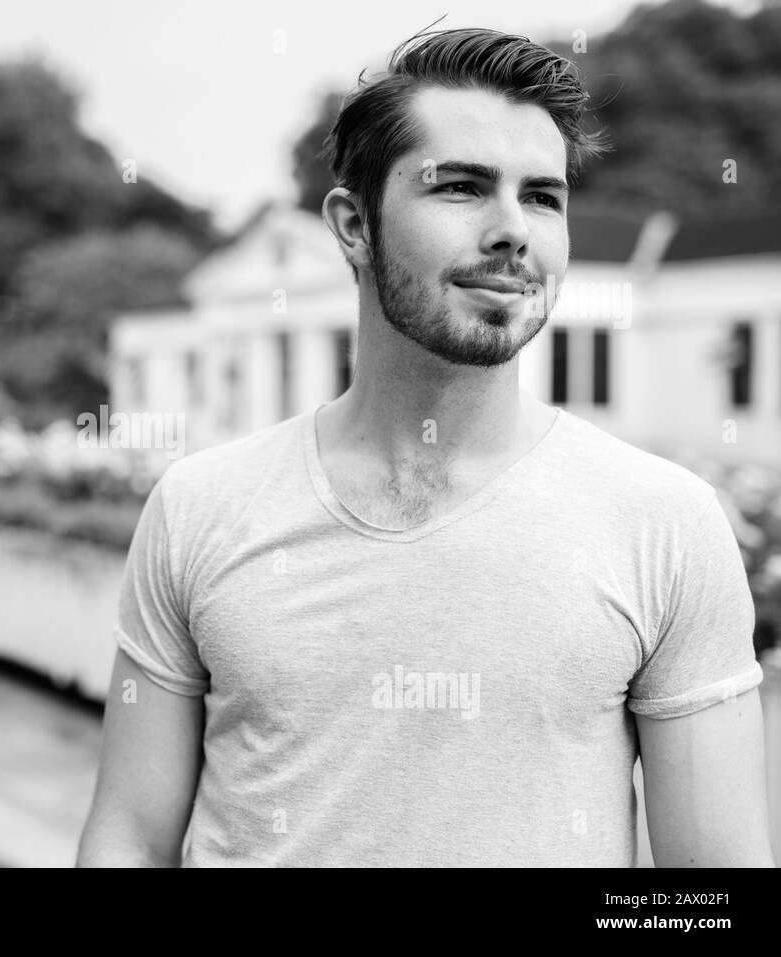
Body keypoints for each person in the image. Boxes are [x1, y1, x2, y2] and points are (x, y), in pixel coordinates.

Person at [76, 26, 774, 867]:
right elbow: (128, 837)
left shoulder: (665, 523)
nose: (514, 230)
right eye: (462, 188)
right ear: (352, 226)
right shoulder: (199, 507)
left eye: (543, 197)